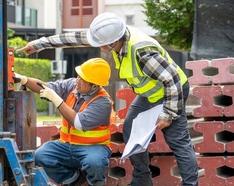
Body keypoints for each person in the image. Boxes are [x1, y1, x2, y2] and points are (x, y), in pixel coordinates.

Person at [17, 12, 198, 186]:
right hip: (149, 94)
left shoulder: (142, 51)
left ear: (112, 42)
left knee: (178, 141)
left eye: (101, 44)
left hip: (172, 93)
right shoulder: (113, 33)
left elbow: (172, 79)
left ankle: (190, 184)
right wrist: (40, 44)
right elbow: (75, 38)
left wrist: (169, 114)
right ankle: (142, 179)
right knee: (130, 128)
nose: (98, 46)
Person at [14, 58, 115, 186]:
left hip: (94, 147)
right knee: (40, 156)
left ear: (94, 85)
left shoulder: (103, 102)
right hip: (66, 145)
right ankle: (74, 180)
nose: (78, 80)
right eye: (78, 76)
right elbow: (46, 86)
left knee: (95, 163)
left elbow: (77, 122)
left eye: (82, 79)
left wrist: (56, 100)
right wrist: (24, 80)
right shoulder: (72, 86)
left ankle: (96, 183)